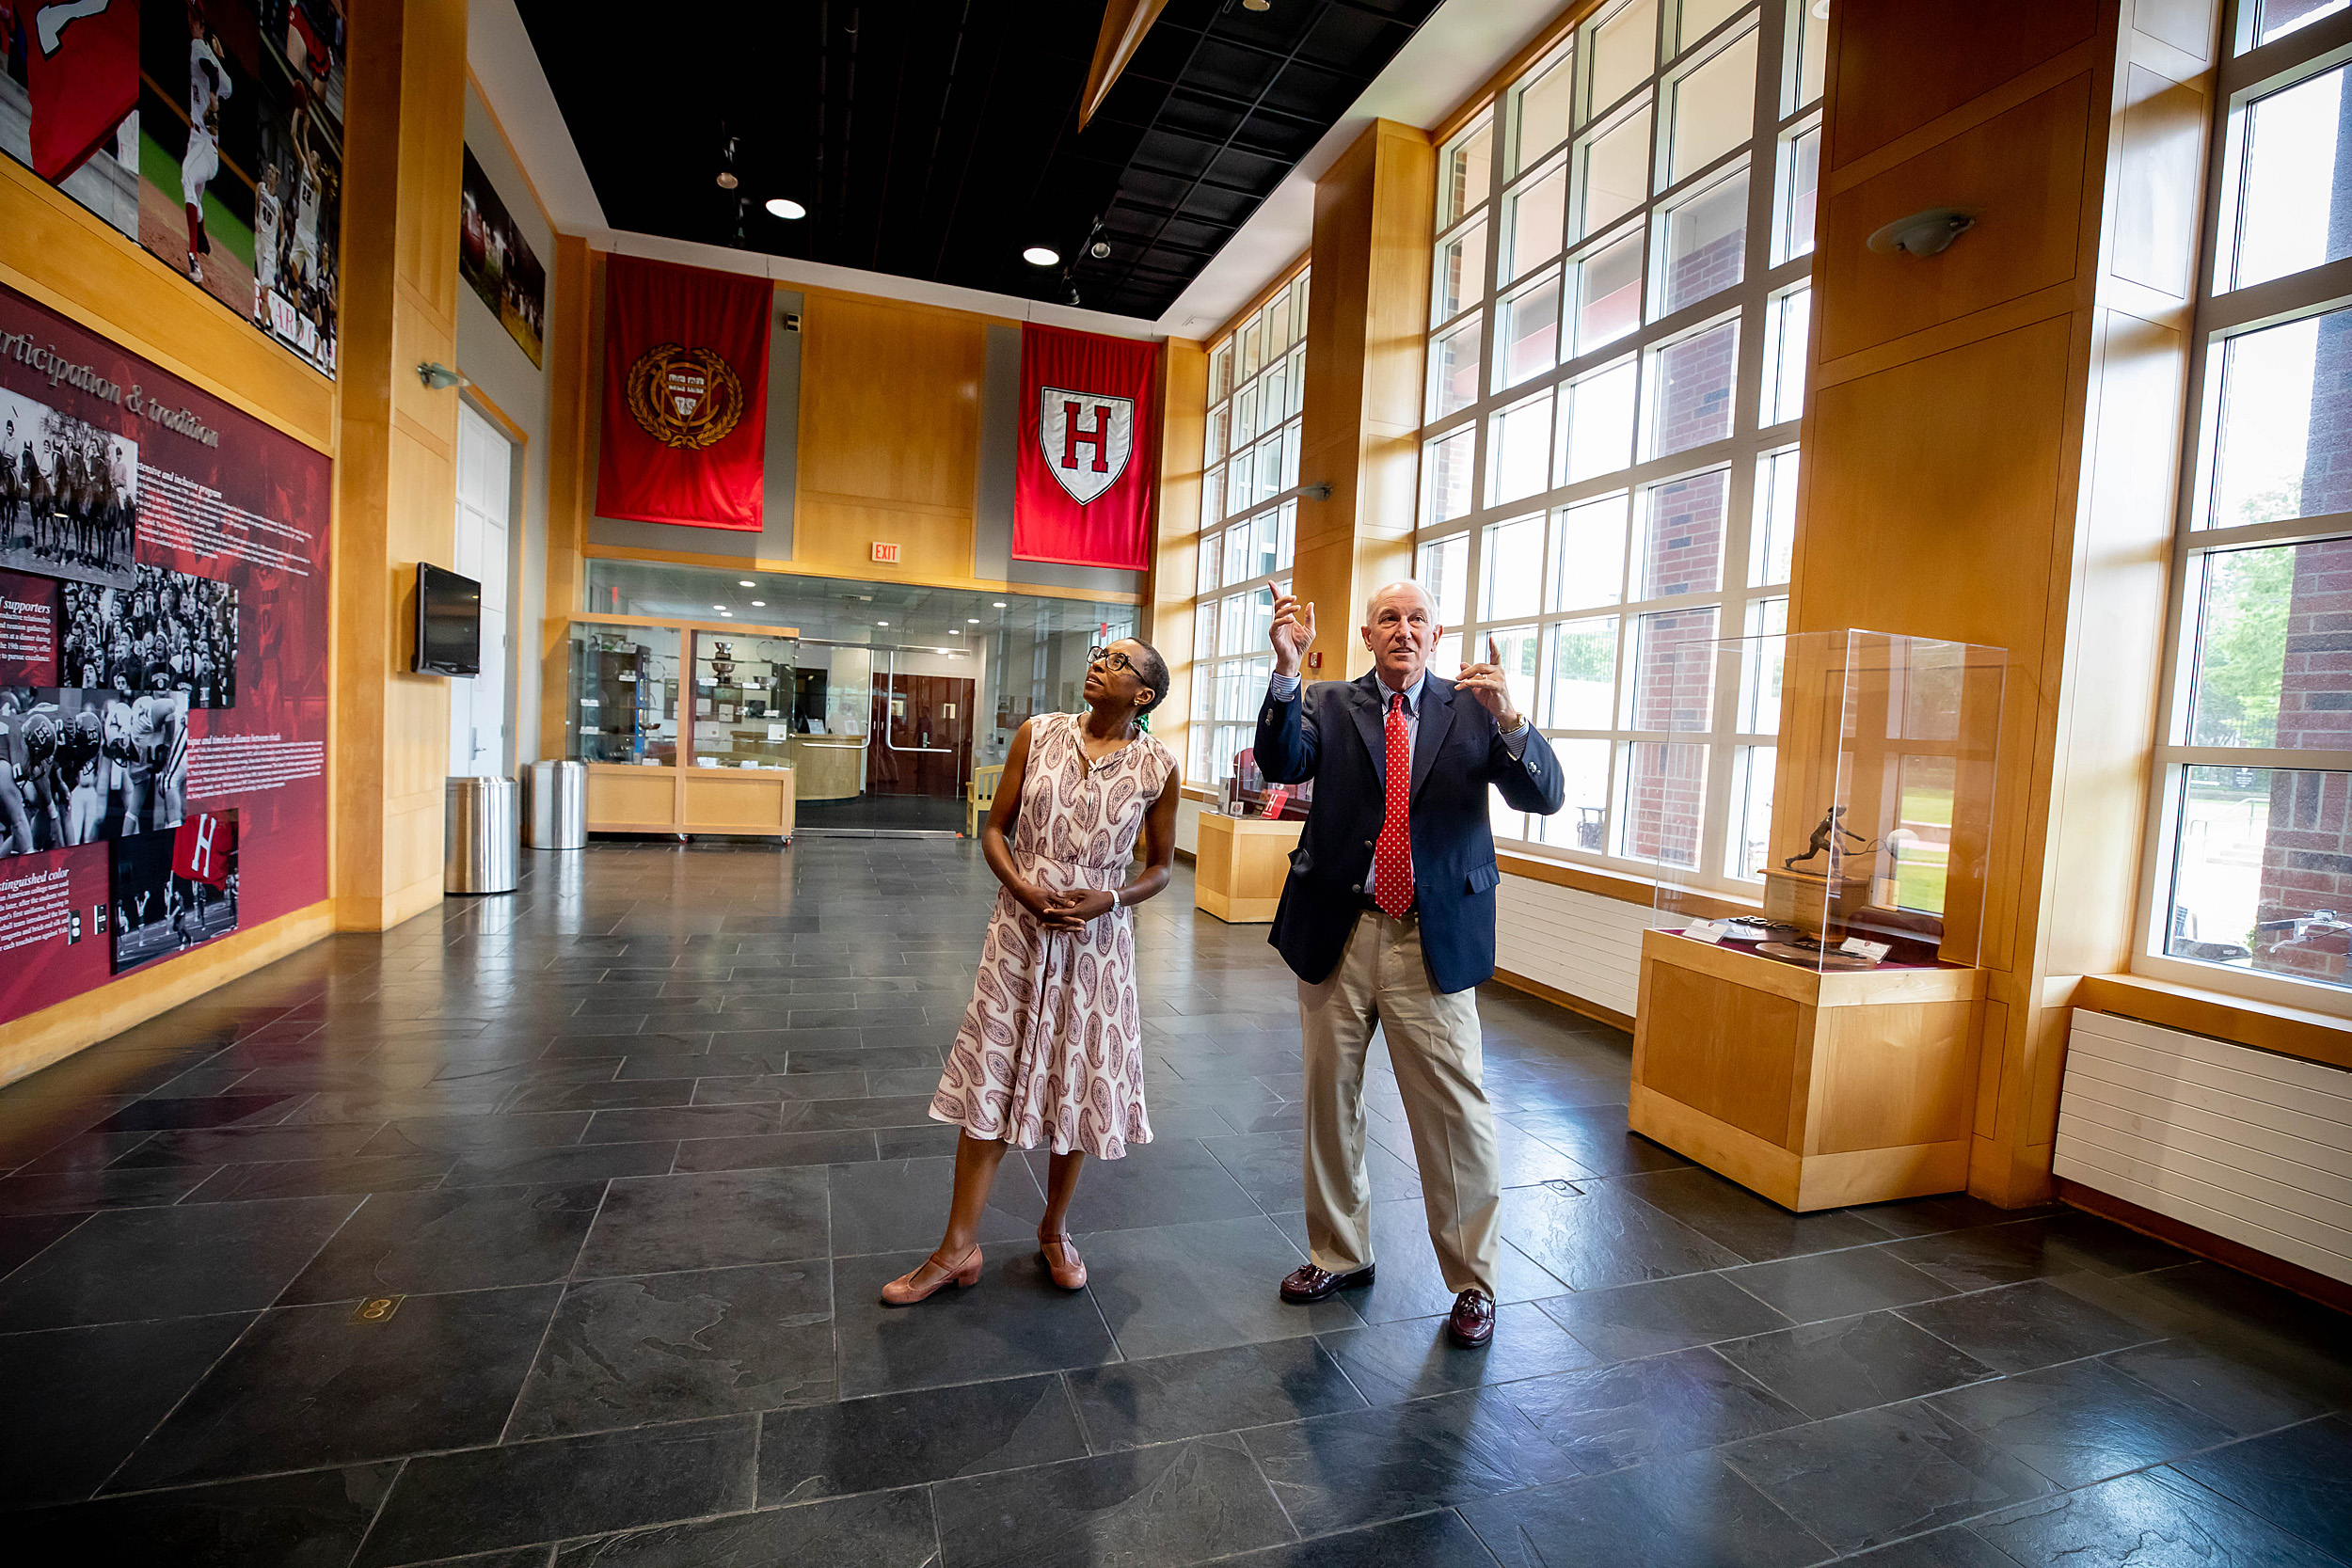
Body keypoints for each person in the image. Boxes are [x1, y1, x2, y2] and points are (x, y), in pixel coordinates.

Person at [1254, 582, 1565, 1348]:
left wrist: (1515, 721)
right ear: (1367, 634)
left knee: (1455, 1115)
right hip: (1341, 930)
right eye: (1389, 618)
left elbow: (1545, 796)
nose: (1404, 629)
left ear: (1437, 632)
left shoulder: (1473, 709)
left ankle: (1472, 1281)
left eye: (1417, 618)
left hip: (1433, 939)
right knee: (1331, 1100)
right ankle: (1340, 1253)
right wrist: (1287, 671)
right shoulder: (1329, 703)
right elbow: (1279, 758)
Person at [882, 638, 1182, 1306]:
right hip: (1020, 929)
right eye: (1100, 653)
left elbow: (1160, 867)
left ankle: (1055, 1228)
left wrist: (1114, 896)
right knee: (993, 1070)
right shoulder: (1038, 734)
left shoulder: (1158, 765)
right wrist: (1022, 888)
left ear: (1144, 695)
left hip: (1097, 942)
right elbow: (995, 829)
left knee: (1075, 1079)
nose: (1100, 662)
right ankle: (957, 1246)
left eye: (1118, 661)